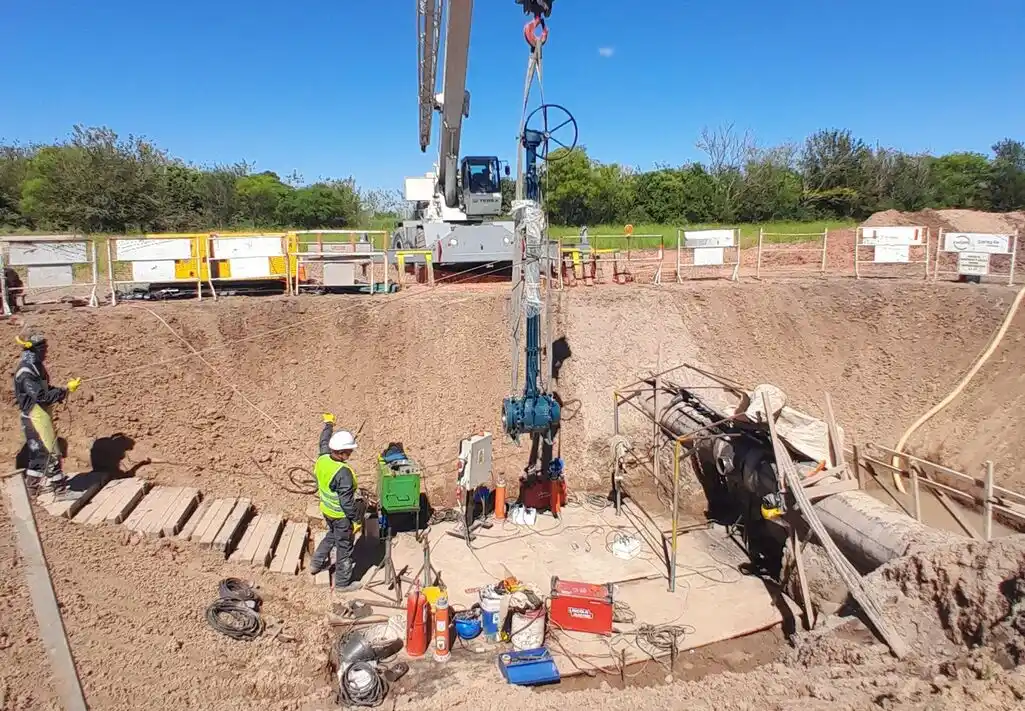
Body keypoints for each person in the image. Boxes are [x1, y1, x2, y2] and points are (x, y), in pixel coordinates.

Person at [13, 333, 82, 499]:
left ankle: (31, 489)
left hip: (41, 416)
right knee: (50, 452)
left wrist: (62, 391)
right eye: (43, 349)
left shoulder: (37, 367)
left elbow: (46, 388)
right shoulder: (26, 372)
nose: (46, 352)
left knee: (39, 454)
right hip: (33, 418)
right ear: (35, 350)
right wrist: (64, 391)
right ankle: (60, 490)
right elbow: (41, 396)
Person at [309, 413, 363, 592]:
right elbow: (347, 503)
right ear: (341, 453)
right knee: (344, 547)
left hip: (327, 510)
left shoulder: (323, 457)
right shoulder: (343, 473)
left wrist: (328, 424)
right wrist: (356, 520)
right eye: (349, 451)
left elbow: (323, 441)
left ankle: (315, 564)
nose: (351, 454)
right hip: (341, 516)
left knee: (331, 535)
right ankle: (342, 583)